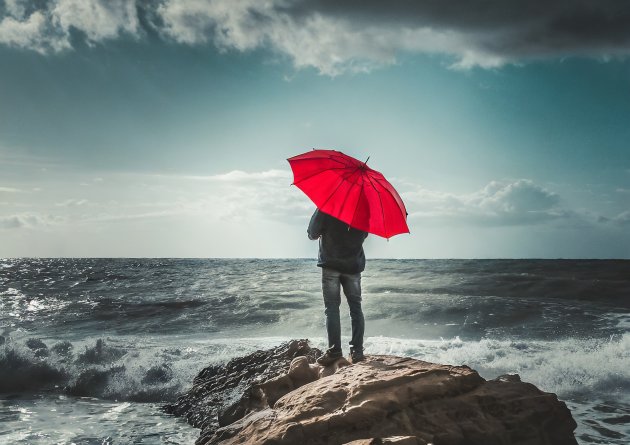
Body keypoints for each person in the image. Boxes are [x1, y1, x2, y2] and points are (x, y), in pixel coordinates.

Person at [308, 208, 368, 365]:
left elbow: (312, 234)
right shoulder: (363, 211)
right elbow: (363, 235)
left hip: (331, 265)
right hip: (353, 266)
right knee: (356, 308)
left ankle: (335, 351)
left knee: (332, 309)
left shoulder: (327, 207)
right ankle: (357, 352)